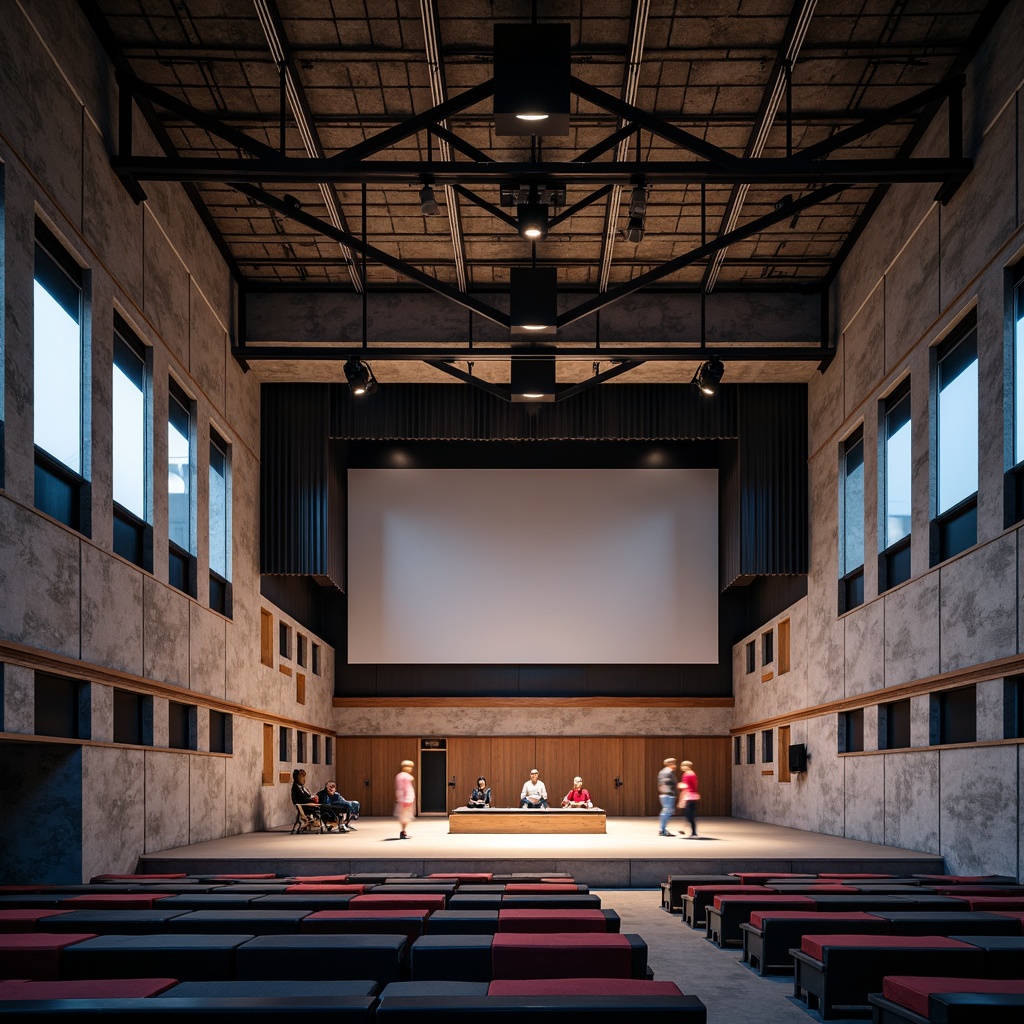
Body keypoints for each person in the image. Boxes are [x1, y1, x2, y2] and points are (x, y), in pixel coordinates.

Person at [677, 759, 700, 837]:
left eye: (682, 765)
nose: (681, 767)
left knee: (689, 815)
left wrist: (679, 785)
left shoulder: (687, 774)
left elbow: (685, 786)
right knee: (690, 814)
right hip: (693, 796)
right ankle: (685, 829)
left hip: (689, 796)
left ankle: (694, 833)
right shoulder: (692, 774)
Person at [394, 759, 415, 839]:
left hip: (406, 799)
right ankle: (403, 832)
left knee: (406, 817)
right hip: (406, 800)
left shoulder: (401, 776)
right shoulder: (404, 777)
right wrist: (403, 799)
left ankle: (404, 831)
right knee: (405, 817)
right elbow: (401, 789)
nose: (411, 769)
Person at [657, 757, 677, 836]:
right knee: (666, 811)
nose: (675, 765)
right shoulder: (668, 772)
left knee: (667, 811)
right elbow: (668, 783)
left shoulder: (662, 772)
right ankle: (662, 829)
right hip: (668, 794)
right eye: (674, 763)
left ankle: (663, 828)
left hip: (664, 793)